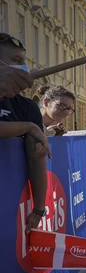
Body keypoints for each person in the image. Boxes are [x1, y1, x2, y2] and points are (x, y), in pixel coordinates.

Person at [0, 34, 49, 231]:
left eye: (24, 61)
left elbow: (37, 159)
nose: (24, 68)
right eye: (16, 60)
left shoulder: (27, 107)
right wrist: (27, 127)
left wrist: (38, 209)